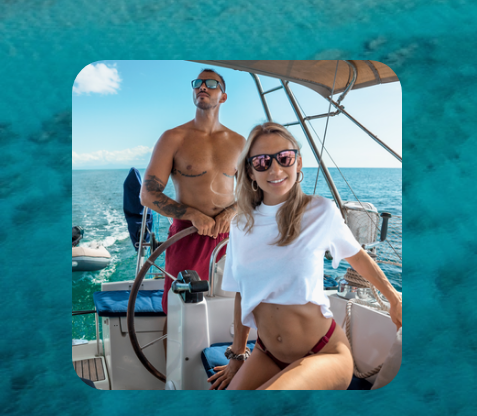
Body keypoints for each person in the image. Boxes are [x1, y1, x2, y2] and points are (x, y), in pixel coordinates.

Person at [207, 122, 402, 390]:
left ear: (298, 163)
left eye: (285, 158)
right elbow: (242, 292)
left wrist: (393, 298)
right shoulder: (241, 224)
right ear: (250, 171)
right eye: (262, 162)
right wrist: (238, 355)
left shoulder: (320, 211)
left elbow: (357, 257)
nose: (275, 169)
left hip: (323, 353)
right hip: (267, 353)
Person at [141, 68, 243, 298]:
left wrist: (231, 213)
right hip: (187, 234)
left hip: (229, 237)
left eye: (211, 83)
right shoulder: (173, 138)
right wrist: (193, 215)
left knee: (230, 303)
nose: (202, 87)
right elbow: (147, 194)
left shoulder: (239, 142)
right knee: (180, 306)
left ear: (223, 97)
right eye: (198, 83)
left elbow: (254, 192)